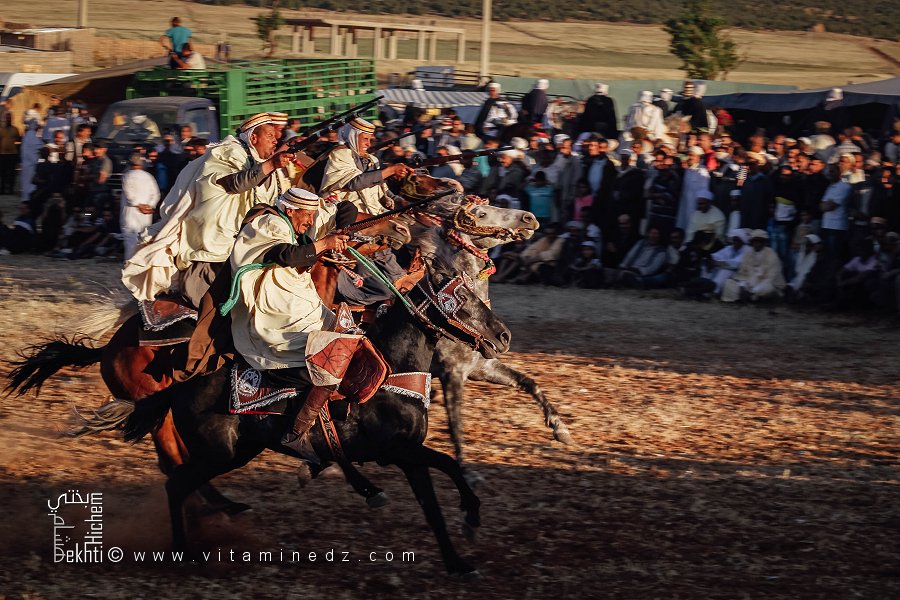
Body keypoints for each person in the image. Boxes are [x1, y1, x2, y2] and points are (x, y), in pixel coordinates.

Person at [226, 188, 354, 459]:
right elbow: (285, 255)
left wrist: (343, 227)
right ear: (290, 210)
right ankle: (294, 432)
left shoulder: (298, 220)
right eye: (306, 215)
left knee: (348, 337)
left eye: (312, 215)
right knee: (327, 355)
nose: (310, 221)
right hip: (273, 309)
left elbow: (345, 207)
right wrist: (324, 244)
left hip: (299, 300)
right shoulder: (268, 223)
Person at [122, 112, 294, 308]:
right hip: (215, 243)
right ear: (253, 137)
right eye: (270, 136)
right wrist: (272, 164)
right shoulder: (226, 153)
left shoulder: (258, 161)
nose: (276, 140)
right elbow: (235, 184)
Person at [320, 117, 410, 216]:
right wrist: (391, 170)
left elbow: (382, 190)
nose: (368, 144)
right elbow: (354, 183)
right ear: (353, 136)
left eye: (370, 140)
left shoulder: (372, 160)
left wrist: (401, 201)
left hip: (374, 212)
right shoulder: (340, 154)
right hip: (346, 215)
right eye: (365, 139)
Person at [721, 229, 785, 302]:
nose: (757, 244)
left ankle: (751, 296)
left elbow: (770, 278)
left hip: (765, 285)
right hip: (749, 285)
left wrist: (753, 291)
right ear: (752, 242)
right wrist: (742, 286)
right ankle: (750, 297)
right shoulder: (748, 254)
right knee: (729, 283)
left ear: (764, 243)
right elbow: (742, 274)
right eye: (755, 241)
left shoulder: (772, 255)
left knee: (768, 289)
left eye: (760, 241)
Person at [120, 153, 161, 260]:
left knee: (130, 237)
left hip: (131, 211)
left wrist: (138, 205)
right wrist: (150, 205)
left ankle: (130, 262)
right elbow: (156, 194)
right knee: (144, 237)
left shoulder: (127, 175)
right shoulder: (149, 176)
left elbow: (129, 194)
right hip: (146, 213)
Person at [676, 146, 711, 231]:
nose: (690, 157)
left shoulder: (703, 172)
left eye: (693, 155)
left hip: (696, 209)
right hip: (684, 208)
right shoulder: (687, 171)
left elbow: (704, 194)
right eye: (689, 155)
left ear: (699, 157)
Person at [0, 114, 21, 195]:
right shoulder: (1, 129)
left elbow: (18, 140)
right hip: (3, 154)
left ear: (11, 119)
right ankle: (2, 189)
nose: (8, 119)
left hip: (12, 154)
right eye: (7, 118)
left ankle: (11, 190)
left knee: (12, 173)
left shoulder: (15, 129)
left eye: (9, 118)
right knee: (3, 173)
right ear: (5, 119)